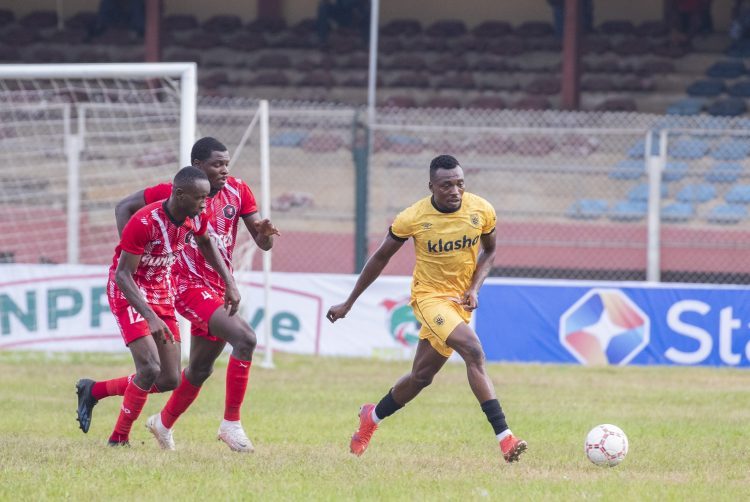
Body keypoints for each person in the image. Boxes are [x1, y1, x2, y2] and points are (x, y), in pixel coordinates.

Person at [76, 137, 279, 452]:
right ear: (197, 166)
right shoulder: (174, 195)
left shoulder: (233, 193)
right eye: (217, 164)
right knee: (245, 339)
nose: (225, 170)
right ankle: (230, 424)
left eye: (227, 164)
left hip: (210, 288)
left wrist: (263, 240)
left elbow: (250, 241)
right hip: (185, 286)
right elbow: (125, 213)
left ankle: (156, 420)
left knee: (196, 370)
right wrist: (135, 249)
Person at [326, 155, 527, 463]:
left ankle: (371, 417)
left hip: (459, 303)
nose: (455, 191)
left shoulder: (482, 210)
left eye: (460, 183)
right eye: (447, 185)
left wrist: (474, 288)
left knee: (421, 377)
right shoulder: (413, 217)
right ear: (431, 186)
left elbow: (490, 250)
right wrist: (349, 302)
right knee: (473, 351)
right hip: (429, 298)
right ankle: (505, 437)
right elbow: (380, 258)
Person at [100, 165, 240, 446]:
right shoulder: (143, 222)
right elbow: (123, 275)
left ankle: (94, 391)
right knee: (149, 368)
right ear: (179, 195)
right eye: (200, 197)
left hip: (161, 290)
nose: (205, 203)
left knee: (169, 379)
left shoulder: (196, 216)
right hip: (129, 292)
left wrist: (229, 282)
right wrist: (150, 318)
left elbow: (206, 243)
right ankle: (119, 438)